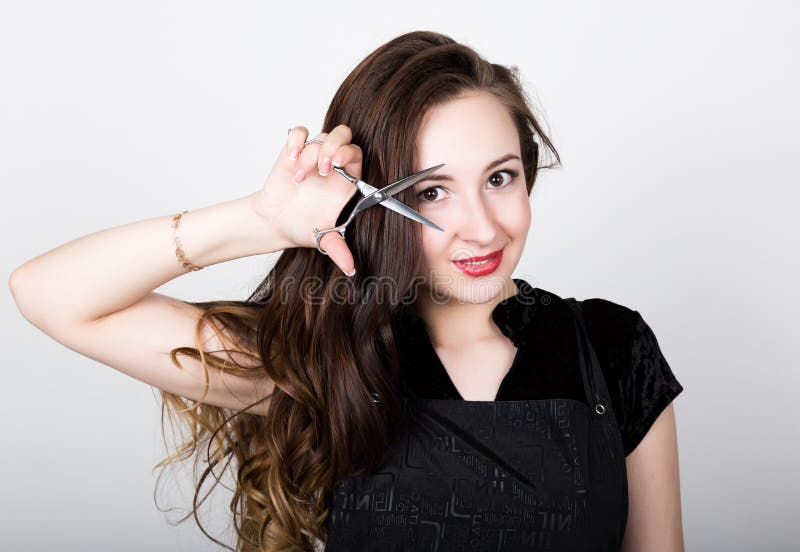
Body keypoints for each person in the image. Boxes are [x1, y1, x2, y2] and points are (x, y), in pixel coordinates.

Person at [8, 30, 684, 552]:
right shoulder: (319, 357)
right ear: (376, 202)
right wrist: (262, 219)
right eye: (431, 191)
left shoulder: (612, 348)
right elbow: (47, 294)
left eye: (500, 179)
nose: (481, 229)